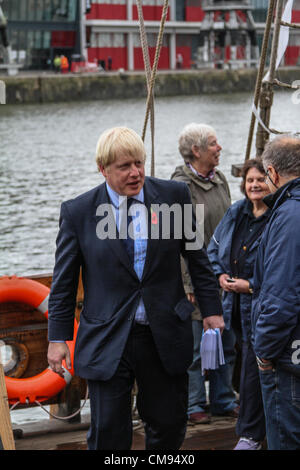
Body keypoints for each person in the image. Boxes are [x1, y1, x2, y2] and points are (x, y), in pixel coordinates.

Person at [47, 126, 224, 450]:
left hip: (163, 332)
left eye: (139, 164)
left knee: (169, 424)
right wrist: (58, 338)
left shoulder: (173, 196)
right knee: (109, 432)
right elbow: (63, 283)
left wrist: (212, 311)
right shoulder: (79, 212)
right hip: (108, 334)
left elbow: (197, 259)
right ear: (103, 169)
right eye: (124, 166)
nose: (135, 172)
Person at [171, 123, 238, 424]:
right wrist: (187, 281)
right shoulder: (179, 186)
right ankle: (194, 404)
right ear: (196, 151)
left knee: (226, 340)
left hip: (223, 275)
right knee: (197, 346)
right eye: (213, 143)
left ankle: (223, 398)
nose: (219, 148)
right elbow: (177, 237)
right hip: (195, 279)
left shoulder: (221, 179)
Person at [208, 159, 271, 450]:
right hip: (235, 309)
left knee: (259, 370)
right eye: (250, 180)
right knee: (244, 368)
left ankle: (253, 433)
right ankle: (250, 432)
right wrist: (220, 274)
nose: (255, 185)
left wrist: (251, 285)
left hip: (262, 308)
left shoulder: (278, 217)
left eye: (260, 179)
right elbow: (213, 248)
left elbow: (281, 270)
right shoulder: (236, 212)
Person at [251, 135, 300, 450]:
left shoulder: (289, 216)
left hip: (288, 357)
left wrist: (264, 350)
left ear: (273, 172)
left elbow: (282, 296)